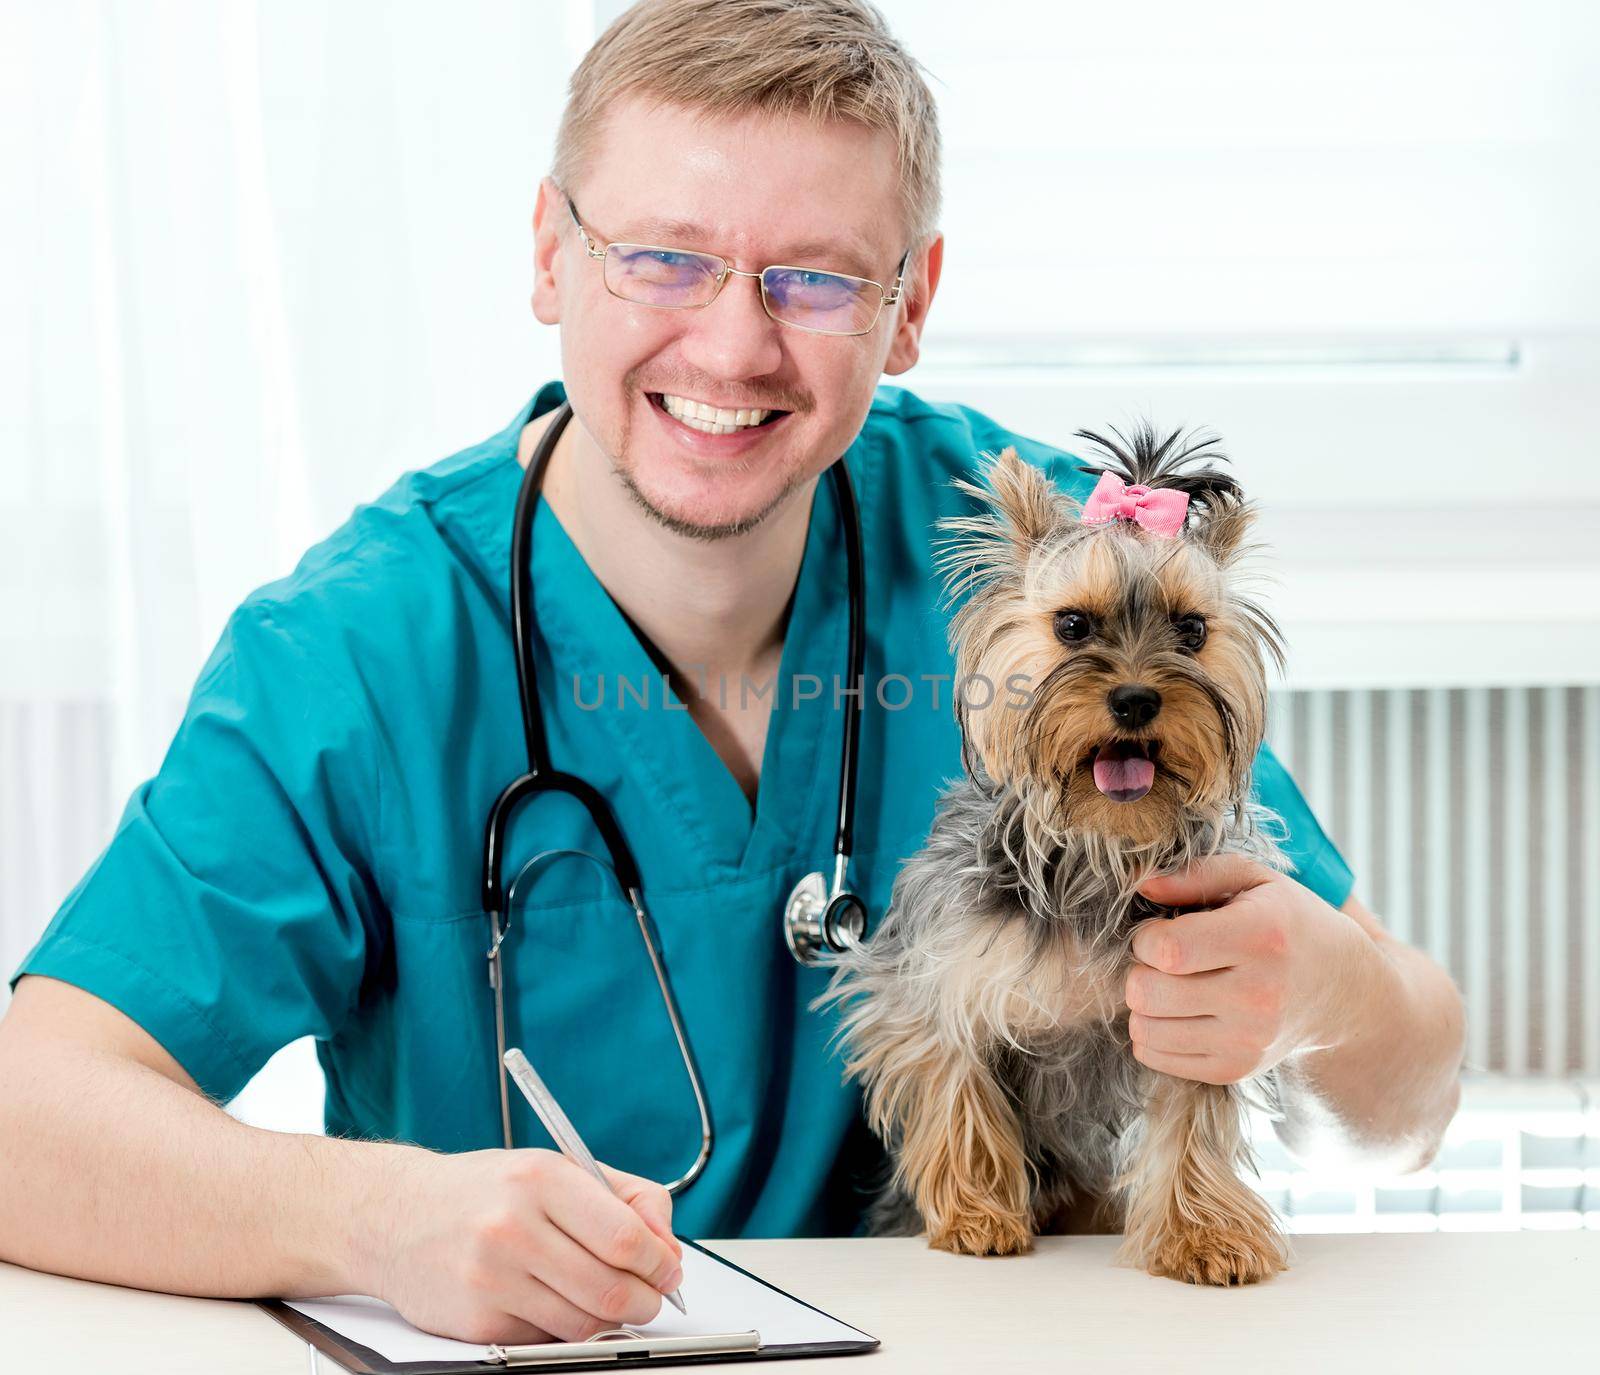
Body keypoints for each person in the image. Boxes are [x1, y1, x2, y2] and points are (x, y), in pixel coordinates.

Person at [0, 0, 1464, 1348]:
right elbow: (27, 1117)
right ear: (548, 254)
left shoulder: (1045, 572)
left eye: (815, 276)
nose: (733, 340)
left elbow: (1416, 1093)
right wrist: (372, 1220)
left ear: (910, 301)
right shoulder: (355, 654)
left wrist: (1326, 991)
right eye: (663, 255)